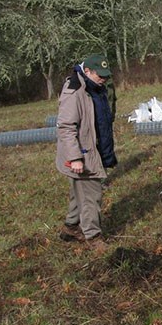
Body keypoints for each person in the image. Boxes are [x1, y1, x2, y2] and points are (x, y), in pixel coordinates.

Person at [56, 54, 118, 253]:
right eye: (100, 76)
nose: (104, 79)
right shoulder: (74, 92)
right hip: (82, 153)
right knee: (92, 195)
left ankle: (71, 228)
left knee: (79, 193)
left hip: (96, 149)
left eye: (106, 76)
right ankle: (93, 236)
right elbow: (66, 127)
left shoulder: (97, 87)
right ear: (88, 71)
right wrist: (75, 158)